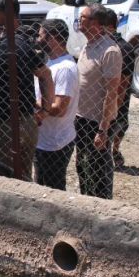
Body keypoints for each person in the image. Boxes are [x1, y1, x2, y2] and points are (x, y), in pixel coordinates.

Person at [0, 15, 53, 180]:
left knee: (2, 178)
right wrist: (45, 109)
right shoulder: (18, 45)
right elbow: (46, 75)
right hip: (29, 123)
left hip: (2, 129)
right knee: (24, 176)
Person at [75, 3, 122, 199]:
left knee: (98, 170)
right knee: (82, 166)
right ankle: (86, 202)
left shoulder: (109, 51)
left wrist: (103, 129)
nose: (79, 20)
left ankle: (102, 208)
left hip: (98, 123)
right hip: (81, 118)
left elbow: (112, 93)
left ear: (95, 23)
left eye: (83, 18)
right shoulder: (88, 45)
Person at [34, 19, 79, 190]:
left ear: (51, 37)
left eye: (40, 35)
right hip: (44, 140)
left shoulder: (65, 68)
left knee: (53, 190)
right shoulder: (51, 63)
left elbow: (60, 108)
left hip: (54, 143)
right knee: (41, 187)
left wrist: (29, 103)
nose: (37, 39)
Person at [106, 9, 135, 169]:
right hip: (113, 97)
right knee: (121, 123)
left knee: (118, 123)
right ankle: (113, 151)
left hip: (116, 97)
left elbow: (123, 82)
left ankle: (114, 151)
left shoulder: (121, 47)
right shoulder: (124, 46)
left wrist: (115, 103)